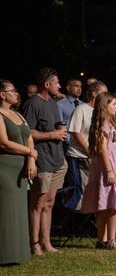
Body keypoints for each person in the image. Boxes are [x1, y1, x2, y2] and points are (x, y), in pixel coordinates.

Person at [22, 68, 69, 255]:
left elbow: (58, 126)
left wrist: (61, 130)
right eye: (57, 82)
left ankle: (46, 242)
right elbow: (28, 133)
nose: (59, 86)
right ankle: (34, 244)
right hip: (42, 158)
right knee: (38, 203)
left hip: (57, 159)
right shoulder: (32, 104)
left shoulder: (53, 104)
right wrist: (51, 134)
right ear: (46, 84)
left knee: (49, 203)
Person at [79, 93, 116, 250]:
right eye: (113, 104)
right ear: (104, 107)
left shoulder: (110, 123)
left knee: (107, 202)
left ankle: (102, 239)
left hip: (113, 164)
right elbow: (102, 149)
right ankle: (110, 239)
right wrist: (109, 170)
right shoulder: (103, 125)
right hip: (108, 166)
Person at [0, 79, 37, 264]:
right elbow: (4, 143)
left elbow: (29, 137)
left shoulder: (18, 114)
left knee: (18, 210)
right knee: (6, 210)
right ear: (2, 94)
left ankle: (18, 253)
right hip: (4, 168)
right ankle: (4, 253)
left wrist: (31, 159)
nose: (16, 93)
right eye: (12, 90)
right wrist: (30, 152)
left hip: (21, 168)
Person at [65, 81, 107, 211]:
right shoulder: (81, 109)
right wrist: (89, 150)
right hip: (79, 156)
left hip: (96, 156)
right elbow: (75, 132)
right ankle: (71, 222)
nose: (106, 96)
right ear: (94, 94)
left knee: (94, 190)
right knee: (81, 189)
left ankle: (88, 221)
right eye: (103, 93)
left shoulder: (102, 111)